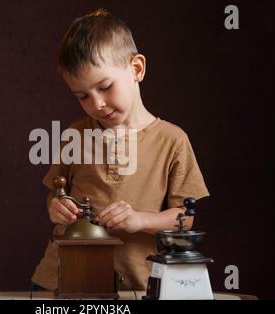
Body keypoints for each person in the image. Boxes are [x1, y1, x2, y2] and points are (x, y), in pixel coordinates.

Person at [31, 8, 209, 291]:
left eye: (105, 87)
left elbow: (185, 218)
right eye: (83, 96)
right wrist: (56, 207)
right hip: (67, 278)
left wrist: (140, 220)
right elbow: (55, 193)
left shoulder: (173, 140)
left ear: (136, 69)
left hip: (137, 283)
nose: (97, 104)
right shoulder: (74, 135)